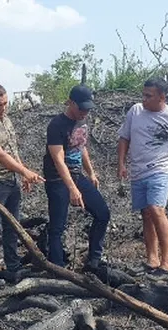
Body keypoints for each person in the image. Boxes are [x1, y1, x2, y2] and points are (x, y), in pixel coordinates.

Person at [117, 78, 168, 280]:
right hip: (138, 171)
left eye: (149, 95)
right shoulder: (135, 111)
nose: (144, 99)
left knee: (157, 210)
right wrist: (122, 164)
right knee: (146, 214)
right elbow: (124, 138)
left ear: (162, 97)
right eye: (144, 94)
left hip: (160, 169)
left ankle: (167, 262)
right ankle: (152, 259)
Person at [0, 83, 44, 284]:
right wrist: (25, 171)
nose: (3, 108)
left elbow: (12, 150)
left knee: (12, 225)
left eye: (5, 104)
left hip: (11, 179)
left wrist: (22, 173)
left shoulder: (5, 120)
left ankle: (12, 267)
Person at [44, 85, 111, 272]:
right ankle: (57, 269)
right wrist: (72, 188)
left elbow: (82, 148)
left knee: (102, 213)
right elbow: (58, 160)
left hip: (77, 174)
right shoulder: (56, 125)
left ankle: (94, 261)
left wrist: (91, 173)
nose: (85, 112)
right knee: (58, 225)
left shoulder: (83, 123)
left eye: (88, 109)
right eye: (82, 108)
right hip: (57, 179)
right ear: (71, 103)